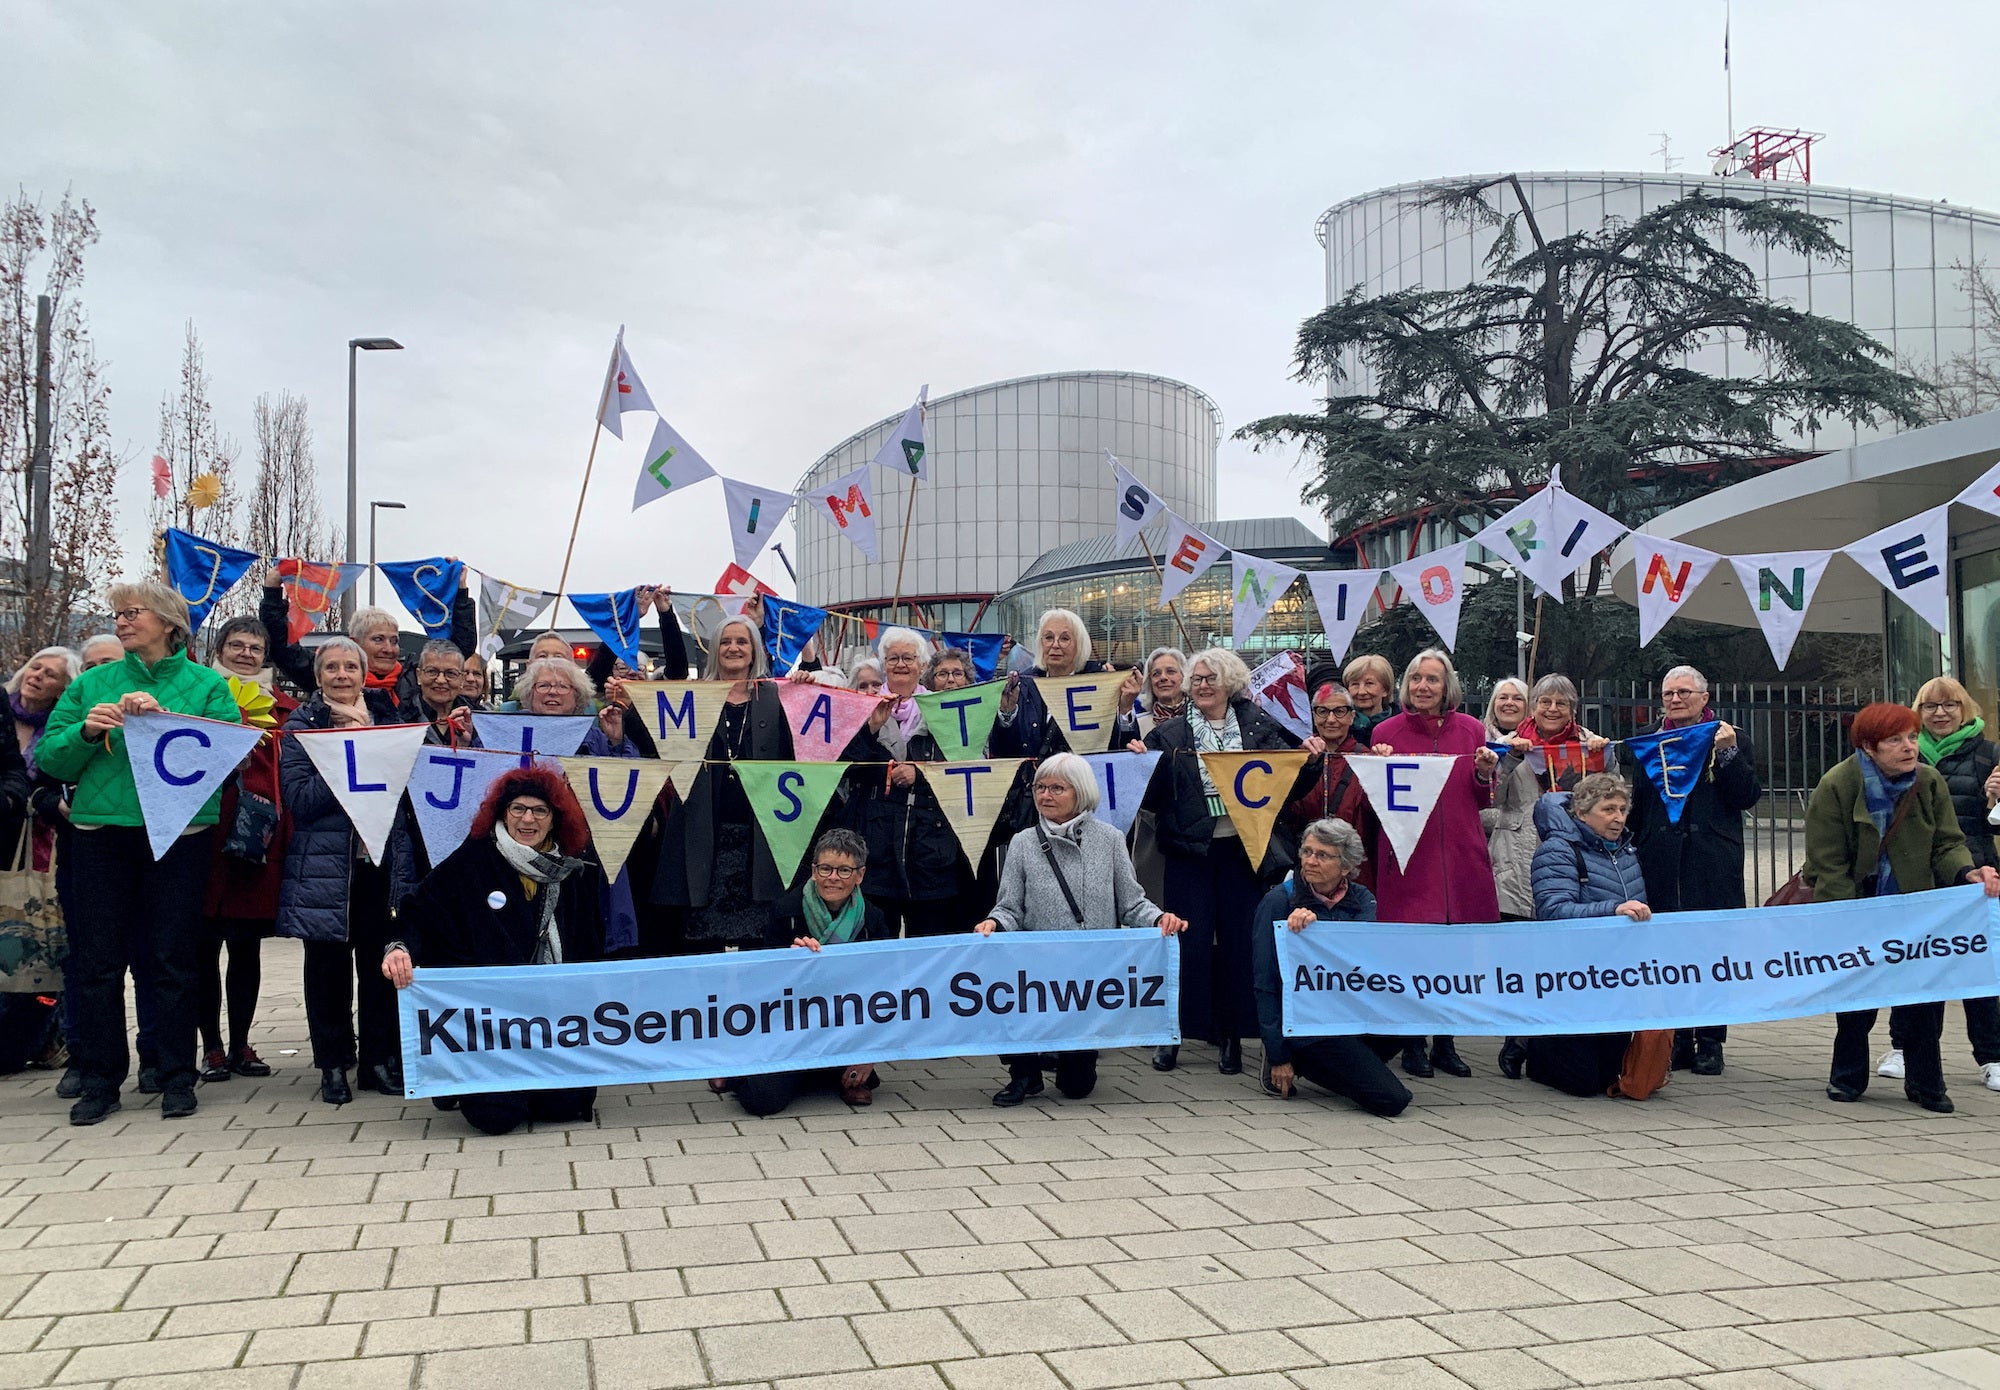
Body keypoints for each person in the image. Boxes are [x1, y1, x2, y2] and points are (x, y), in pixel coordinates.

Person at [37, 580, 242, 1125]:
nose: (122, 622)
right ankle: (102, 1078)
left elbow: (227, 756)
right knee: (98, 962)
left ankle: (176, 1075)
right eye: (118, 614)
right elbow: (51, 762)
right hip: (101, 835)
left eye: (133, 613)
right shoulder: (93, 683)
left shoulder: (205, 686)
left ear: (169, 623)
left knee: (173, 958)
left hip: (179, 837)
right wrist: (84, 731)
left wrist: (161, 722)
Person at [383, 767, 605, 1134]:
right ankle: (479, 1084)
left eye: (539, 811)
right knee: (495, 1118)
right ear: (502, 813)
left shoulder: (572, 871)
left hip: (551, 1016)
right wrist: (399, 947)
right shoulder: (473, 860)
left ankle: (536, 1080)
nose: (527, 819)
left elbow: (590, 943)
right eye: (518, 809)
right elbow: (419, 910)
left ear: (554, 820)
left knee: (565, 1106)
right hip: (487, 1019)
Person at [1806, 702, 2000, 1114]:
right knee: (1857, 1001)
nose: (1909, 747)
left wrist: (1967, 872)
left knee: (1922, 1001)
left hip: (1917, 911)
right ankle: (1847, 1078)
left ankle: (1927, 1084)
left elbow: (1947, 842)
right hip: (1860, 907)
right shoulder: (1837, 784)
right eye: (1895, 740)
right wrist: (1845, 919)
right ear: (1869, 747)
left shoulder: (1928, 782)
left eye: (1911, 737)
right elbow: (1829, 861)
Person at [976, 753, 1186, 1105]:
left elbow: (1132, 903)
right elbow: (1010, 907)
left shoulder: (1110, 839)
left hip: (1088, 971)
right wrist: (994, 923)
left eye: (1057, 788)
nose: (1046, 795)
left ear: (1081, 792)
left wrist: (1158, 918)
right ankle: (1024, 1073)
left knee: (1077, 1087)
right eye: (1040, 787)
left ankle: (1064, 1057)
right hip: (1037, 967)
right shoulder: (1022, 843)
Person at [1142, 647, 1299, 1075]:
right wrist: (1143, 764)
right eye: (1197, 679)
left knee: (1236, 945)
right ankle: (1173, 1032)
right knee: (1184, 944)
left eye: (1211, 678)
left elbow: (1292, 781)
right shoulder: (1170, 733)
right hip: (1189, 851)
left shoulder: (1261, 726)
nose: (1203, 685)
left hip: (1242, 850)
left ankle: (1231, 1034)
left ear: (1229, 682)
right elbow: (1153, 799)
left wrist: (1313, 756)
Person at [278, 637, 405, 1106]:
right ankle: (333, 1064)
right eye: (331, 667)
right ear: (318, 676)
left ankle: (377, 1060)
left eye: (350, 666)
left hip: (380, 863)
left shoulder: (388, 718)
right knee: (327, 971)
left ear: (364, 672)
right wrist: (350, 756)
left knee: (381, 967)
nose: (341, 675)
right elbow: (300, 799)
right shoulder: (302, 725)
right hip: (325, 868)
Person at [1368, 648, 1500, 1079]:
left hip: (1460, 855)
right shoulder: (1385, 733)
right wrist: (1378, 765)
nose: (1423, 686)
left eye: (1432, 680)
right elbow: (1376, 800)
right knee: (1412, 953)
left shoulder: (1471, 730)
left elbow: (1482, 798)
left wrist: (1484, 773)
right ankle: (1412, 1043)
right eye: (1416, 679)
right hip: (1409, 858)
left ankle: (1446, 1042)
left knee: (1455, 955)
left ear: (1448, 687)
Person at [1625, 665, 1760, 1076]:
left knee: (1710, 953)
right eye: (1668, 693)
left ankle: (1711, 1041)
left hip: (1710, 861)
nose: (1676, 699)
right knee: (1666, 953)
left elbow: (1747, 797)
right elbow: (1639, 805)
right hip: (1661, 860)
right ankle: (1677, 1039)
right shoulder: (1648, 741)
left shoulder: (1729, 737)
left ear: (1705, 698)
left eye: (1685, 692)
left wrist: (1729, 755)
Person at [1487, 674, 1609, 1078]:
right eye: (1545, 702)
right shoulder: (1510, 745)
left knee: (1562, 955)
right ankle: (1515, 1038)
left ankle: (1552, 1042)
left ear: (1573, 708)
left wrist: (1603, 759)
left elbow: (1610, 798)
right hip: (1520, 856)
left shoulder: (1593, 743)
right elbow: (1490, 797)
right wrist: (1510, 758)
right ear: (1532, 706)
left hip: (1573, 860)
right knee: (1521, 956)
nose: (1553, 710)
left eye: (1562, 703)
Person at [652, 614, 796, 950]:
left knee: (760, 942)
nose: (734, 648)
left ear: (754, 650)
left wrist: (807, 677)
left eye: (742, 641)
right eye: (726, 642)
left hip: (758, 837)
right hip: (704, 834)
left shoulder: (776, 697)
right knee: (699, 943)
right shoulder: (693, 696)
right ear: (715, 650)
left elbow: (805, 748)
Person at [1886, 677, 2000, 1092]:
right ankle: (1904, 1048)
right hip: (1916, 876)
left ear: (1964, 708)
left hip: (1973, 874)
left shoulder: (1989, 755)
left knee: (1978, 968)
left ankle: (1991, 1056)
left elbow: (1996, 823)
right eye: (1930, 706)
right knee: (1914, 965)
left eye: (1949, 705)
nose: (1939, 713)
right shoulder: (1903, 754)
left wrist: (1994, 802)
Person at [1252, 818, 1409, 1115]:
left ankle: (1341, 1066)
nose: (1310, 861)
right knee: (1393, 1100)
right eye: (1307, 852)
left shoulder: (1363, 899)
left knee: (1412, 1020)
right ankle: (1295, 1059)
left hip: (1348, 1015)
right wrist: (1278, 1054)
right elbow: (1265, 982)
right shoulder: (1278, 903)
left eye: (1322, 855)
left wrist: (1319, 928)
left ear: (1346, 866)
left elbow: (1365, 956)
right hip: (1308, 1024)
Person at [197, 615, 294, 1083]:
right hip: (202, 836)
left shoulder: (281, 709)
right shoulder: (198, 695)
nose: (245, 654)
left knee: (245, 948)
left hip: (256, 839)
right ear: (220, 650)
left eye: (255, 648)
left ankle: (240, 1042)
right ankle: (210, 1047)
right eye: (236, 646)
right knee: (201, 949)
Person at [734, 829, 892, 1116]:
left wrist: (871, 1054)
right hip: (792, 1027)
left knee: (855, 1077)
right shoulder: (786, 911)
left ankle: (822, 1071)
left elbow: (886, 992)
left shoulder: (874, 919)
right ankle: (747, 1070)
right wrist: (789, 964)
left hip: (846, 1027)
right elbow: (761, 983)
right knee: (761, 1101)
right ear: (814, 871)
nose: (833, 877)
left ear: (860, 875)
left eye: (844, 870)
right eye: (825, 868)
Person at [1523, 774, 1651, 1097]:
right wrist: (1613, 911)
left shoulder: (1626, 851)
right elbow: (1553, 911)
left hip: (1614, 976)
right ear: (1581, 813)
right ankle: (1533, 1050)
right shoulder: (1558, 850)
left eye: (1623, 809)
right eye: (1608, 809)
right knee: (1583, 1084)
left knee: (1609, 1076)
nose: (1619, 818)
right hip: (1573, 976)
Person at [840, 629, 964, 938]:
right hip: (877, 842)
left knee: (929, 946)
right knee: (877, 945)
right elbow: (846, 768)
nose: (900, 664)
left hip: (930, 846)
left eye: (908, 658)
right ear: (883, 664)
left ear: (922, 666)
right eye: (893, 658)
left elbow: (964, 770)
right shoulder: (861, 705)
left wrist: (920, 776)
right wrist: (870, 728)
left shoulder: (945, 709)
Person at [10, 646, 82, 1095]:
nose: (38, 676)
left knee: (40, 941)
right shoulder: (3, 710)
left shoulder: (61, 726)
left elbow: (49, 781)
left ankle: (47, 1034)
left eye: (52, 674)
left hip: (44, 846)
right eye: (36, 666)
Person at [262, 566, 476, 716]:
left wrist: (459, 591)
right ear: (355, 643)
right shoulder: (333, 676)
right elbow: (283, 649)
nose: (389, 649)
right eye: (378, 639)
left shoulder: (410, 679)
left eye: (394, 641)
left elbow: (457, 650)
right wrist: (273, 591)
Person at [990, 609, 1136, 760]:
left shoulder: (1099, 683)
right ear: (1041, 643)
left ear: (1079, 645)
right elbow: (1001, 752)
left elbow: (1121, 750)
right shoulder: (1022, 685)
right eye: (1048, 637)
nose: (1055, 645)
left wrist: (1125, 709)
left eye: (1065, 638)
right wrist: (1007, 713)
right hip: (1036, 781)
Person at [1275, 681, 1378, 891]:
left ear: (1351, 716)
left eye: (1339, 711)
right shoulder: (1296, 758)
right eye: (1323, 711)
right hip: (1308, 868)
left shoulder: (1368, 760)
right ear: (1314, 716)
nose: (1331, 720)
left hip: (1354, 871)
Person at [407, 640, 473, 744]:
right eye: (432, 671)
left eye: (451, 673)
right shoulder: (400, 718)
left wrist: (467, 745)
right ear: (419, 676)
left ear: (462, 679)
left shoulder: (480, 723)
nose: (440, 680)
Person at [1343, 654, 1399, 745]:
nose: (1361, 692)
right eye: (1355, 684)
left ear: (1385, 689)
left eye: (1369, 683)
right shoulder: (1340, 725)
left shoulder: (1401, 726)